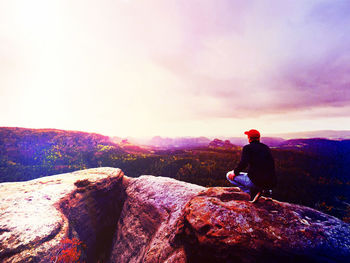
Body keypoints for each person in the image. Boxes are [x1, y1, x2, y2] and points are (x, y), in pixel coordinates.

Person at [227, 129, 276, 203]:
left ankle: (247, 193)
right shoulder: (266, 148)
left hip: (255, 182)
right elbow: (271, 165)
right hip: (269, 183)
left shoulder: (247, 148)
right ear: (259, 138)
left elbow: (243, 163)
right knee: (255, 174)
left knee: (228, 175)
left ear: (249, 138)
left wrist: (234, 173)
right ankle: (265, 191)